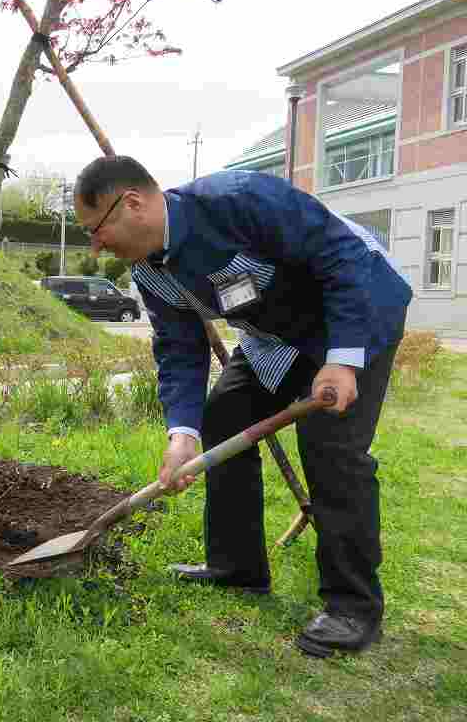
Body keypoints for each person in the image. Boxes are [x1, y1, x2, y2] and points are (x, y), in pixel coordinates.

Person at [74, 155, 411, 658]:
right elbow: (178, 347)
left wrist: (342, 359)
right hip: (276, 336)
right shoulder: (150, 271)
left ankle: (353, 607)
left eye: (96, 229)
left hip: (355, 309)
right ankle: (238, 569)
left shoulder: (238, 200)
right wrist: (180, 434)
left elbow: (342, 258)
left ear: (134, 204)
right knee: (222, 416)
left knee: (330, 448)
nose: (96, 246)